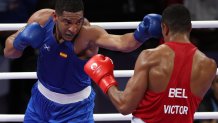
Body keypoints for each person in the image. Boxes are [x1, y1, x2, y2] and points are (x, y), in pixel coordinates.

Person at [3, 0, 162, 122]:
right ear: (55, 17)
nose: (73, 28)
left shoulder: (88, 36)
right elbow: (9, 52)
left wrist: (142, 34)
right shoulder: (41, 20)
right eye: (67, 22)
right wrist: (20, 43)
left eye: (78, 21)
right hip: (40, 103)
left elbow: (122, 43)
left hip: (76, 111)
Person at [84, 4, 217, 123]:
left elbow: (124, 105)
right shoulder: (209, 66)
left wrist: (105, 79)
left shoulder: (150, 58)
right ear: (190, 28)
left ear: (164, 28)